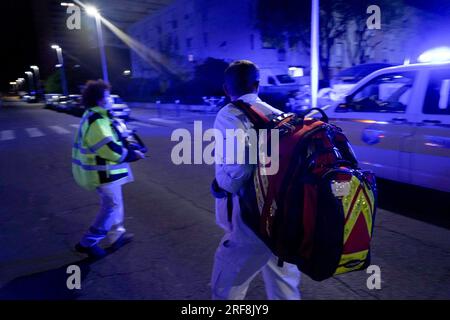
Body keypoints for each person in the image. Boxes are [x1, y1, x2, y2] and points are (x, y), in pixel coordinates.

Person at [211, 60, 301, 300]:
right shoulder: (279, 115)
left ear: (225, 88)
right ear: (257, 85)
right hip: (282, 214)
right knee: (284, 284)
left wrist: (221, 185)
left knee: (228, 283)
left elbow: (239, 167)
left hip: (250, 215)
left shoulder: (229, 114)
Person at [72, 80, 144, 258]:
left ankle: (116, 235)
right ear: (99, 100)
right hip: (103, 173)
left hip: (110, 171)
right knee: (111, 205)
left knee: (115, 204)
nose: (111, 99)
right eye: (107, 96)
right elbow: (108, 148)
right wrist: (131, 155)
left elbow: (118, 136)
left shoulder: (101, 116)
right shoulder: (96, 120)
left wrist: (130, 142)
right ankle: (88, 242)